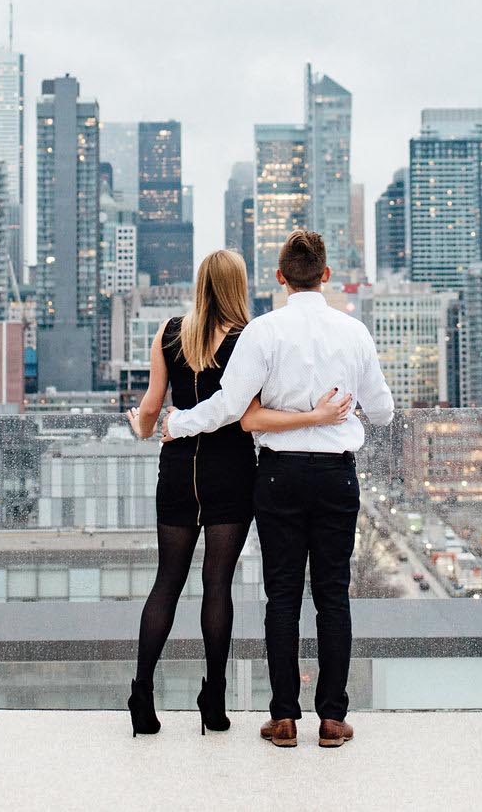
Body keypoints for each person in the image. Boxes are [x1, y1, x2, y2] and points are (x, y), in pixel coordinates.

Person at [161, 229, 395, 750]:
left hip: (278, 475)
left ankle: (284, 718)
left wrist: (177, 425)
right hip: (336, 474)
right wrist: (346, 406)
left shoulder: (263, 332)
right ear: (327, 276)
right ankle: (332, 719)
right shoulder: (355, 333)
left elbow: (227, 407)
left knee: (282, 596)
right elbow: (383, 411)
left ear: (281, 277)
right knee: (333, 595)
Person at [123, 248, 353, 737]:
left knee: (166, 581)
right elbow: (243, 410)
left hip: (180, 468)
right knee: (217, 585)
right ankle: (214, 700)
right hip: (230, 470)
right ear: (239, 286)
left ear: (199, 283)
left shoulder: (168, 333)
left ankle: (142, 690)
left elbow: (149, 409)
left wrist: (143, 427)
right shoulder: (249, 337)